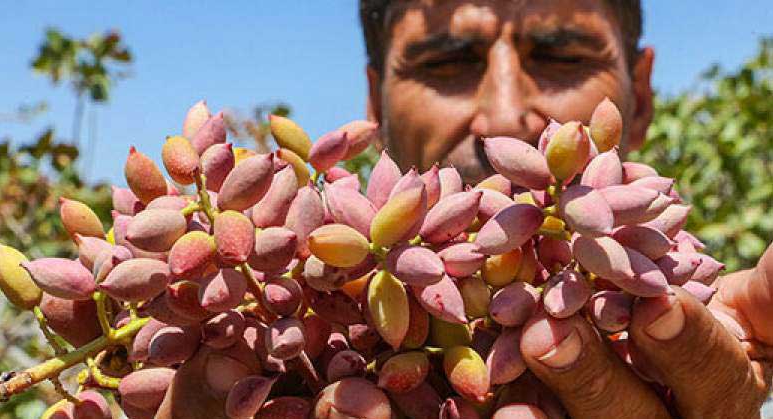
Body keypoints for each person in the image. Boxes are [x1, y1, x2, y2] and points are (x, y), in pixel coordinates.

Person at [157, 1, 773, 417]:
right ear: (374, 99)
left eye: (561, 57)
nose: (503, 115)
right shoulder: (299, 270)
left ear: (639, 94)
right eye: (447, 63)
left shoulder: (693, 316)